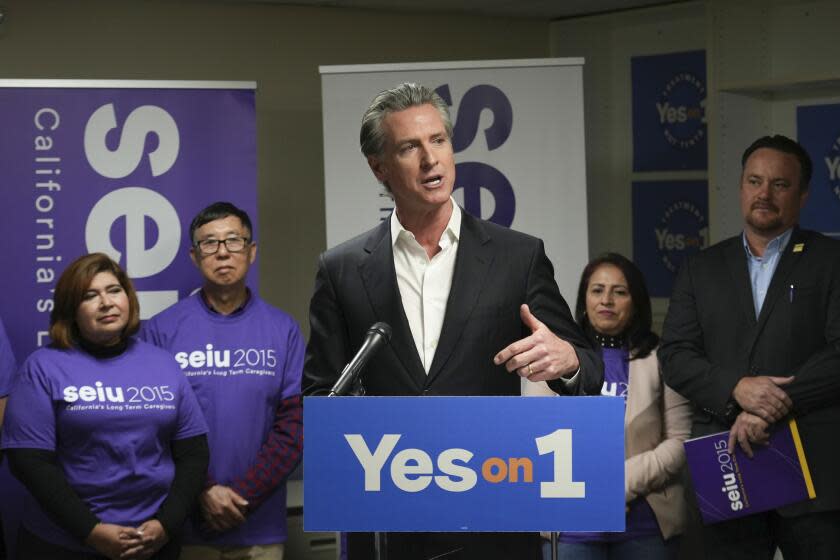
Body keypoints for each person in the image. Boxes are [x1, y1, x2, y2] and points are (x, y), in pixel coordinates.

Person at [302, 82, 603, 559]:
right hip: (388, 526)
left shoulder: (517, 256)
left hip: (491, 518)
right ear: (379, 166)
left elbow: (587, 367)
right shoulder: (341, 270)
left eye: (438, 140)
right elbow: (320, 393)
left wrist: (566, 359)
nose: (430, 159)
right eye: (409, 147)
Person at [660, 135, 840, 558]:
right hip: (727, 463)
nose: (764, 193)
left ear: (802, 193)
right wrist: (736, 389)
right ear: (741, 187)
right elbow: (676, 355)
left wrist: (773, 403)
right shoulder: (700, 268)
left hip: (815, 469)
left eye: (779, 184)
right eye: (754, 181)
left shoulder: (831, 260)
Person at [0, 253, 209, 560]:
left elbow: (193, 453)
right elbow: (29, 462)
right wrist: (91, 531)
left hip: (153, 542)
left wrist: (166, 524)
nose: (107, 302)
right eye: (90, 295)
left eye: (114, 290)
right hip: (65, 544)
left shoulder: (163, 363)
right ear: (71, 310)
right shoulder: (43, 368)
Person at [141, 202, 303, 560]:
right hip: (183, 523)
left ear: (252, 251)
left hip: (258, 524)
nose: (223, 252)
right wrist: (203, 491)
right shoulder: (160, 330)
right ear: (195, 257)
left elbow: (294, 427)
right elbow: (152, 425)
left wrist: (241, 497)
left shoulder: (283, 330)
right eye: (210, 244)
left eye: (234, 240)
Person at [551, 253, 691, 559]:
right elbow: (532, 436)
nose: (607, 300)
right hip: (573, 525)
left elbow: (680, 442)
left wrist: (621, 482)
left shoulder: (662, 358)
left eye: (620, 291)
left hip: (645, 525)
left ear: (636, 303)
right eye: (597, 290)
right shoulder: (554, 356)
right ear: (584, 299)